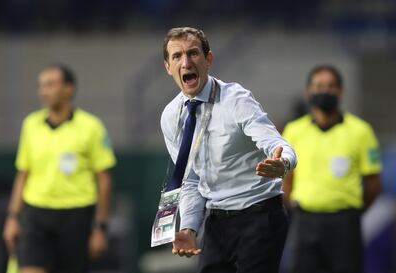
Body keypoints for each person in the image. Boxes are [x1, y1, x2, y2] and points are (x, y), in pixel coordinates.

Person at [160, 27, 297, 273]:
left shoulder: (236, 99)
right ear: (168, 67)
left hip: (259, 215)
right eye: (177, 56)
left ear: (208, 59)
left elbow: (279, 145)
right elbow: (191, 180)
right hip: (216, 223)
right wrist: (189, 228)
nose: (186, 62)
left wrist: (283, 163)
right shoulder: (171, 117)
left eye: (193, 53)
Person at [3, 64, 116, 273]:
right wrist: (12, 217)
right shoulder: (30, 124)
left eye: (50, 84)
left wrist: (100, 227)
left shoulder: (92, 127)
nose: (43, 91)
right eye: (41, 85)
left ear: (68, 89)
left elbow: (104, 179)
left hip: (76, 217)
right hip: (36, 215)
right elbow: (23, 174)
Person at [282, 65, 382, 273]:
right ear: (308, 91)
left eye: (330, 86)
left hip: (345, 224)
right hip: (305, 221)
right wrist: (295, 207)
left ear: (340, 91)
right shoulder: (294, 131)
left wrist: (353, 211)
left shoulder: (361, 131)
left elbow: (374, 183)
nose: (324, 91)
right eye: (318, 86)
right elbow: (287, 177)